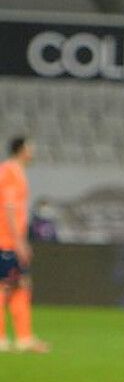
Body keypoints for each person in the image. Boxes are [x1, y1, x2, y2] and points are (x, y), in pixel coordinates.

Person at [0, 137, 50, 354]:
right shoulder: (10, 171)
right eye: (30, 148)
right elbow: (9, 208)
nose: (33, 152)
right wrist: (19, 242)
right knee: (5, 288)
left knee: (21, 285)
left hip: (12, 240)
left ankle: (23, 337)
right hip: (6, 241)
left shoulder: (16, 171)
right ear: (20, 150)